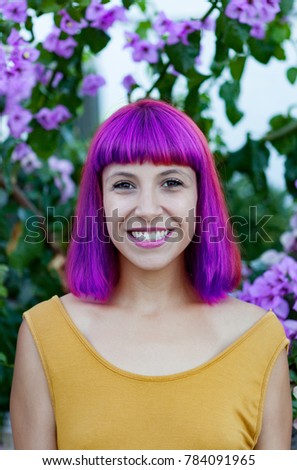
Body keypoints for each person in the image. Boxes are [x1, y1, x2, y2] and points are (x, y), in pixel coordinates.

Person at [10, 98, 292, 450]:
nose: (147, 210)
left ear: (200, 198)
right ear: (99, 200)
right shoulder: (43, 335)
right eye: (124, 185)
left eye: (171, 182)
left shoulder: (259, 339)